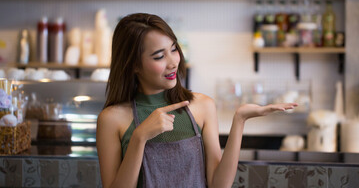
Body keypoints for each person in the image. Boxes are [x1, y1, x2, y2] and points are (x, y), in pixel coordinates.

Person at [96, 13, 297, 188]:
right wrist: (139, 137)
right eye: (159, 56)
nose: (173, 62)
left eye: (174, 49)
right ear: (134, 66)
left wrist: (240, 119)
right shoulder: (111, 119)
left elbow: (219, 185)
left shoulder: (203, 106)